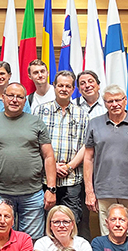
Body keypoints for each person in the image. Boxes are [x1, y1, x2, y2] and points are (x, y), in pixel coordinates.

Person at [0, 82, 56, 240]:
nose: (14, 100)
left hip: (32, 194)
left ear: (25, 100)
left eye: (19, 97)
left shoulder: (36, 122)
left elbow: (49, 156)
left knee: (31, 241)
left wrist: (51, 188)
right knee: (2, 238)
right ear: (3, 98)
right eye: (11, 96)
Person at [83, 85, 128, 238]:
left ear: (125, 100)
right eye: (109, 101)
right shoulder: (94, 124)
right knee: (108, 236)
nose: (114, 104)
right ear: (105, 103)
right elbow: (88, 158)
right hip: (104, 191)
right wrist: (89, 191)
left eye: (118, 100)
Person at [34, 70, 90, 228]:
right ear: (54, 87)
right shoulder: (40, 111)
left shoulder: (82, 115)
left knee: (70, 225)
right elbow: (33, 143)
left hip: (72, 180)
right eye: (60, 85)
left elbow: (86, 146)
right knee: (46, 224)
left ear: (73, 89)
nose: (64, 89)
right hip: (45, 180)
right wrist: (52, 167)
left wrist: (69, 166)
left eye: (68, 86)